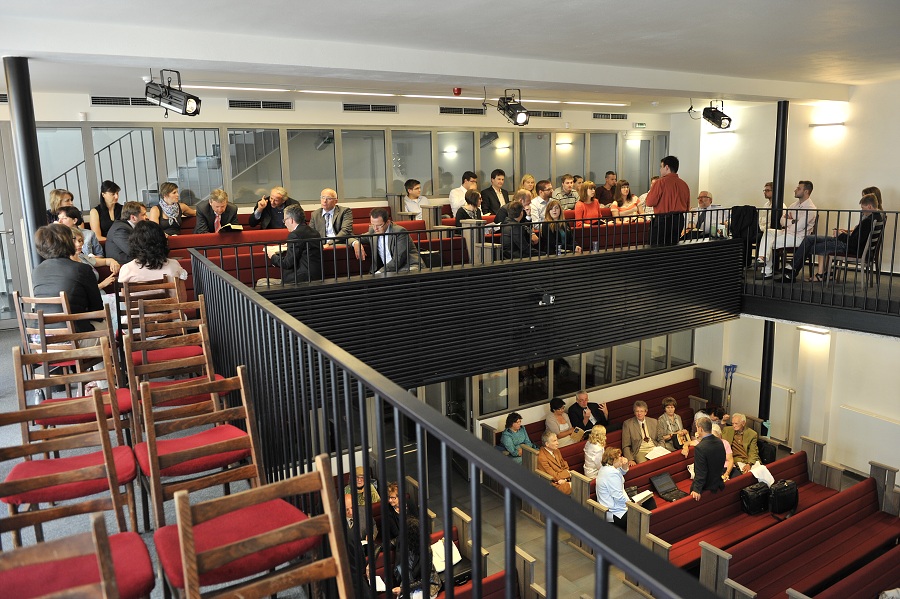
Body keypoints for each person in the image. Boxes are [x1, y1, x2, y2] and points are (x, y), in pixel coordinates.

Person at [783, 193, 882, 282]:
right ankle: (793, 268)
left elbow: (854, 242)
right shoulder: (877, 218)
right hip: (847, 243)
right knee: (809, 238)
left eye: (863, 208)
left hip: (848, 247)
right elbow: (857, 238)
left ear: (869, 206)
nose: (862, 211)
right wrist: (842, 234)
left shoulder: (868, 221)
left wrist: (840, 235)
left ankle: (794, 270)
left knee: (812, 247)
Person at [31, 224, 103, 334]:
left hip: (40, 336)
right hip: (73, 336)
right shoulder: (82, 269)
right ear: (68, 242)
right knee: (105, 325)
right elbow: (97, 311)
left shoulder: (36, 271)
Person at [757, 180, 817, 279]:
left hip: (798, 238)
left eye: (798, 188)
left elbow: (798, 227)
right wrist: (793, 221)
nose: (795, 190)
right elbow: (782, 220)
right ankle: (763, 258)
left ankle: (766, 269)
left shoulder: (811, 209)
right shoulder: (794, 205)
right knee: (768, 232)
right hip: (787, 233)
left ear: (806, 191)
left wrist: (789, 222)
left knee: (769, 242)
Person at [258, 203, 323, 286]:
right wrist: (289, 245)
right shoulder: (314, 232)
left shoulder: (294, 235)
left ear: (291, 220)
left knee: (261, 282)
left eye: (284, 220)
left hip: (300, 280)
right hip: (316, 277)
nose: (284, 224)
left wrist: (272, 256)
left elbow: (287, 263)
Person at [351, 207, 422, 273]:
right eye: (372, 225)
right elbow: (354, 238)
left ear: (388, 222)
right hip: (389, 270)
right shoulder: (373, 231)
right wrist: (355, 243)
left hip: (408, 267)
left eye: (379, 225)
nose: (375, 228)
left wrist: (380, 272)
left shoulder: (399, 232)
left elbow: (398, 260)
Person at [118, 220, 188, 285]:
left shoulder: (127, 269)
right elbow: (182, 293)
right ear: (162, 241)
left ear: (134, 243)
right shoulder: (174, 265)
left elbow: (123, 294)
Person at [644, 156, 690, 246]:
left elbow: (649, 202)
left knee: (657, 247)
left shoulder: (660, 182)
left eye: (661, 167)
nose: (660, 170)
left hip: (663, 220)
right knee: (673, 246)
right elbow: (687, 206)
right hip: (679, 220)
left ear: (667, 167)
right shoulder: (684, 184)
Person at [69, 226, 118, 291]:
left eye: (80, 241)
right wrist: (102, 284)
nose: (79, 244)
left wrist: (113, 261)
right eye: (74, 241)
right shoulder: (66, 264)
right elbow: (79, 291)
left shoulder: (82, 257)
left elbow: (106, 261)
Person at [690, 417, 727, 501]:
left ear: (700, 429)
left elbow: (701, 471)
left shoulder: (700, 448)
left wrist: (697, 489)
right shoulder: (719, 442)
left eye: (697, 427)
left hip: (706, 487)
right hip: (718, 483)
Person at [594, 447, 629, 529]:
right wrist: (631, 505)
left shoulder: (605, 468)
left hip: (609, 510)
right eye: (619, 457)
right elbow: (618, 497)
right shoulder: (612, 474)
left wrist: (625, 463)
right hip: (615, 514)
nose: (621, 458)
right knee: (646, 506)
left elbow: (623, 471)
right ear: (614, 460)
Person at [621, 400, 659, 466]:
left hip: (654, 448)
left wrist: (661, 449)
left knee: (665, 460)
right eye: (637, 411)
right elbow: (625, 445)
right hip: (640, 451)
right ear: (634, 412)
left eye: (641, 411)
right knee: (644, 465)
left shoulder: (654, 421)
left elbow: (661, 438)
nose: (639, 413)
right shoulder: (628, 424)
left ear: (645, 412)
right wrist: (630, 459)